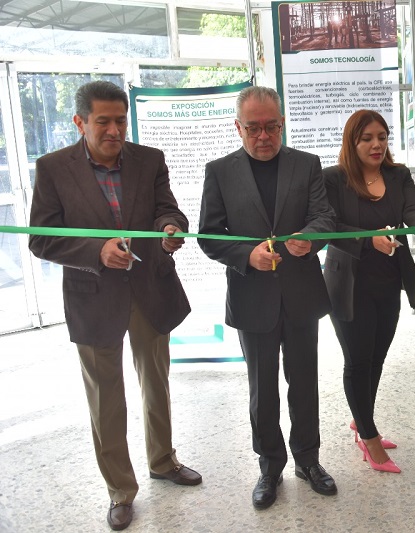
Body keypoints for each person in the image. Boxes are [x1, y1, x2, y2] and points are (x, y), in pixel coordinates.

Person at [28, 80, 201, 531]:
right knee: (106, 398)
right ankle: (120, 491)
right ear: (79, 121)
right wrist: (96, 251)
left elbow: (171, 210)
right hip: (94, 296)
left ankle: (162, 461)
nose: (113, 130)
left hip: (149, 288)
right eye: (102, 121)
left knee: (156, 383)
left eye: (120, 121)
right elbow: (42, 239)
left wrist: (169, 228)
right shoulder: (52, 169)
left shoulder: (150, 159)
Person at [197, 86, 338, 510]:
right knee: (263, 389)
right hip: (251, 295)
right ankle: (269, 466)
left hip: (300, 293)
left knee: (305, 383)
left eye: (272, 127)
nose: (264, 136)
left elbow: (324, 218)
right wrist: (246, 255)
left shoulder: (307, 164)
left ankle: (308, 460)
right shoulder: (220, 171)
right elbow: (208, 234)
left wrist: (309, 241)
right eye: (254, 128)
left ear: (282, 124)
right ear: (238, 127)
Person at [322, 110, 415, 474]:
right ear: (352, 142)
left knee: (376, 358)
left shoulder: (398, 175)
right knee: (357, 360)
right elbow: (327, 225)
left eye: (382, 136)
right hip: (348, 284)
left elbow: (413, 208)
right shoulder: (333, 179)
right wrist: (366, 240)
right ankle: (369, 436)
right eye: (367, 138)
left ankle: (361, 421)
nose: (377, 144)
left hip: (389, 280)